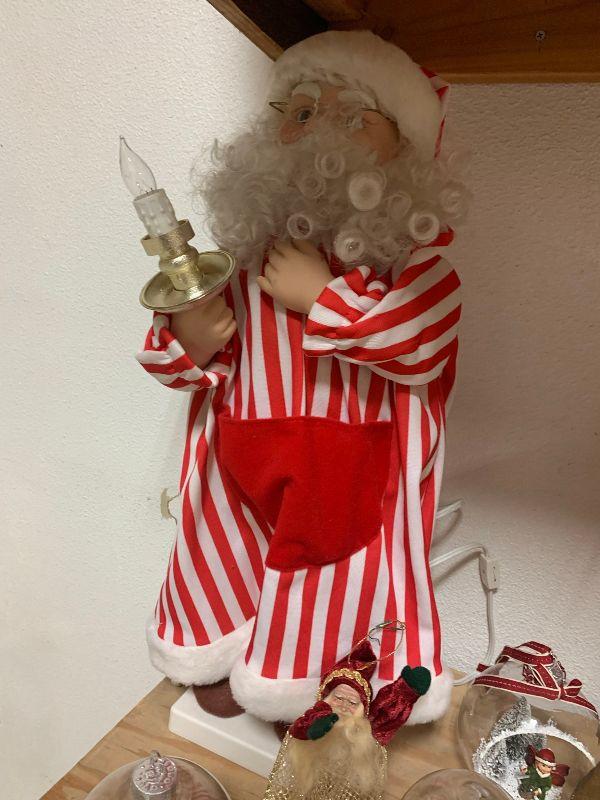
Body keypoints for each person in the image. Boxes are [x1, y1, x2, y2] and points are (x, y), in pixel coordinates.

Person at [136, 29, 468, 724]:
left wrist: (324, 297)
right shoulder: (248, 255)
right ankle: (221, 647)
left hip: (346, 464)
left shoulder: (411, 267)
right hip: (239, 455)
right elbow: (192, 359)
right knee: (223, 551)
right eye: (303, 111)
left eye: (353, 116)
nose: (318, 130)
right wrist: (190, 340)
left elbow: (422, 341)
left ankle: (303, 684)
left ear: (403, 151)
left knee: (334, 575)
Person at [264, 635, 431, 799]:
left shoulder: (367, 729)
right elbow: (301, 729)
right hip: (307, 784)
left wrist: (407, 689)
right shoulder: (316, 716)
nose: (344, 706)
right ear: (326, 698)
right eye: (338, 698)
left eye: (352, 702)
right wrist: (314, 728)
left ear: (362, 709)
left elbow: (388, 712)